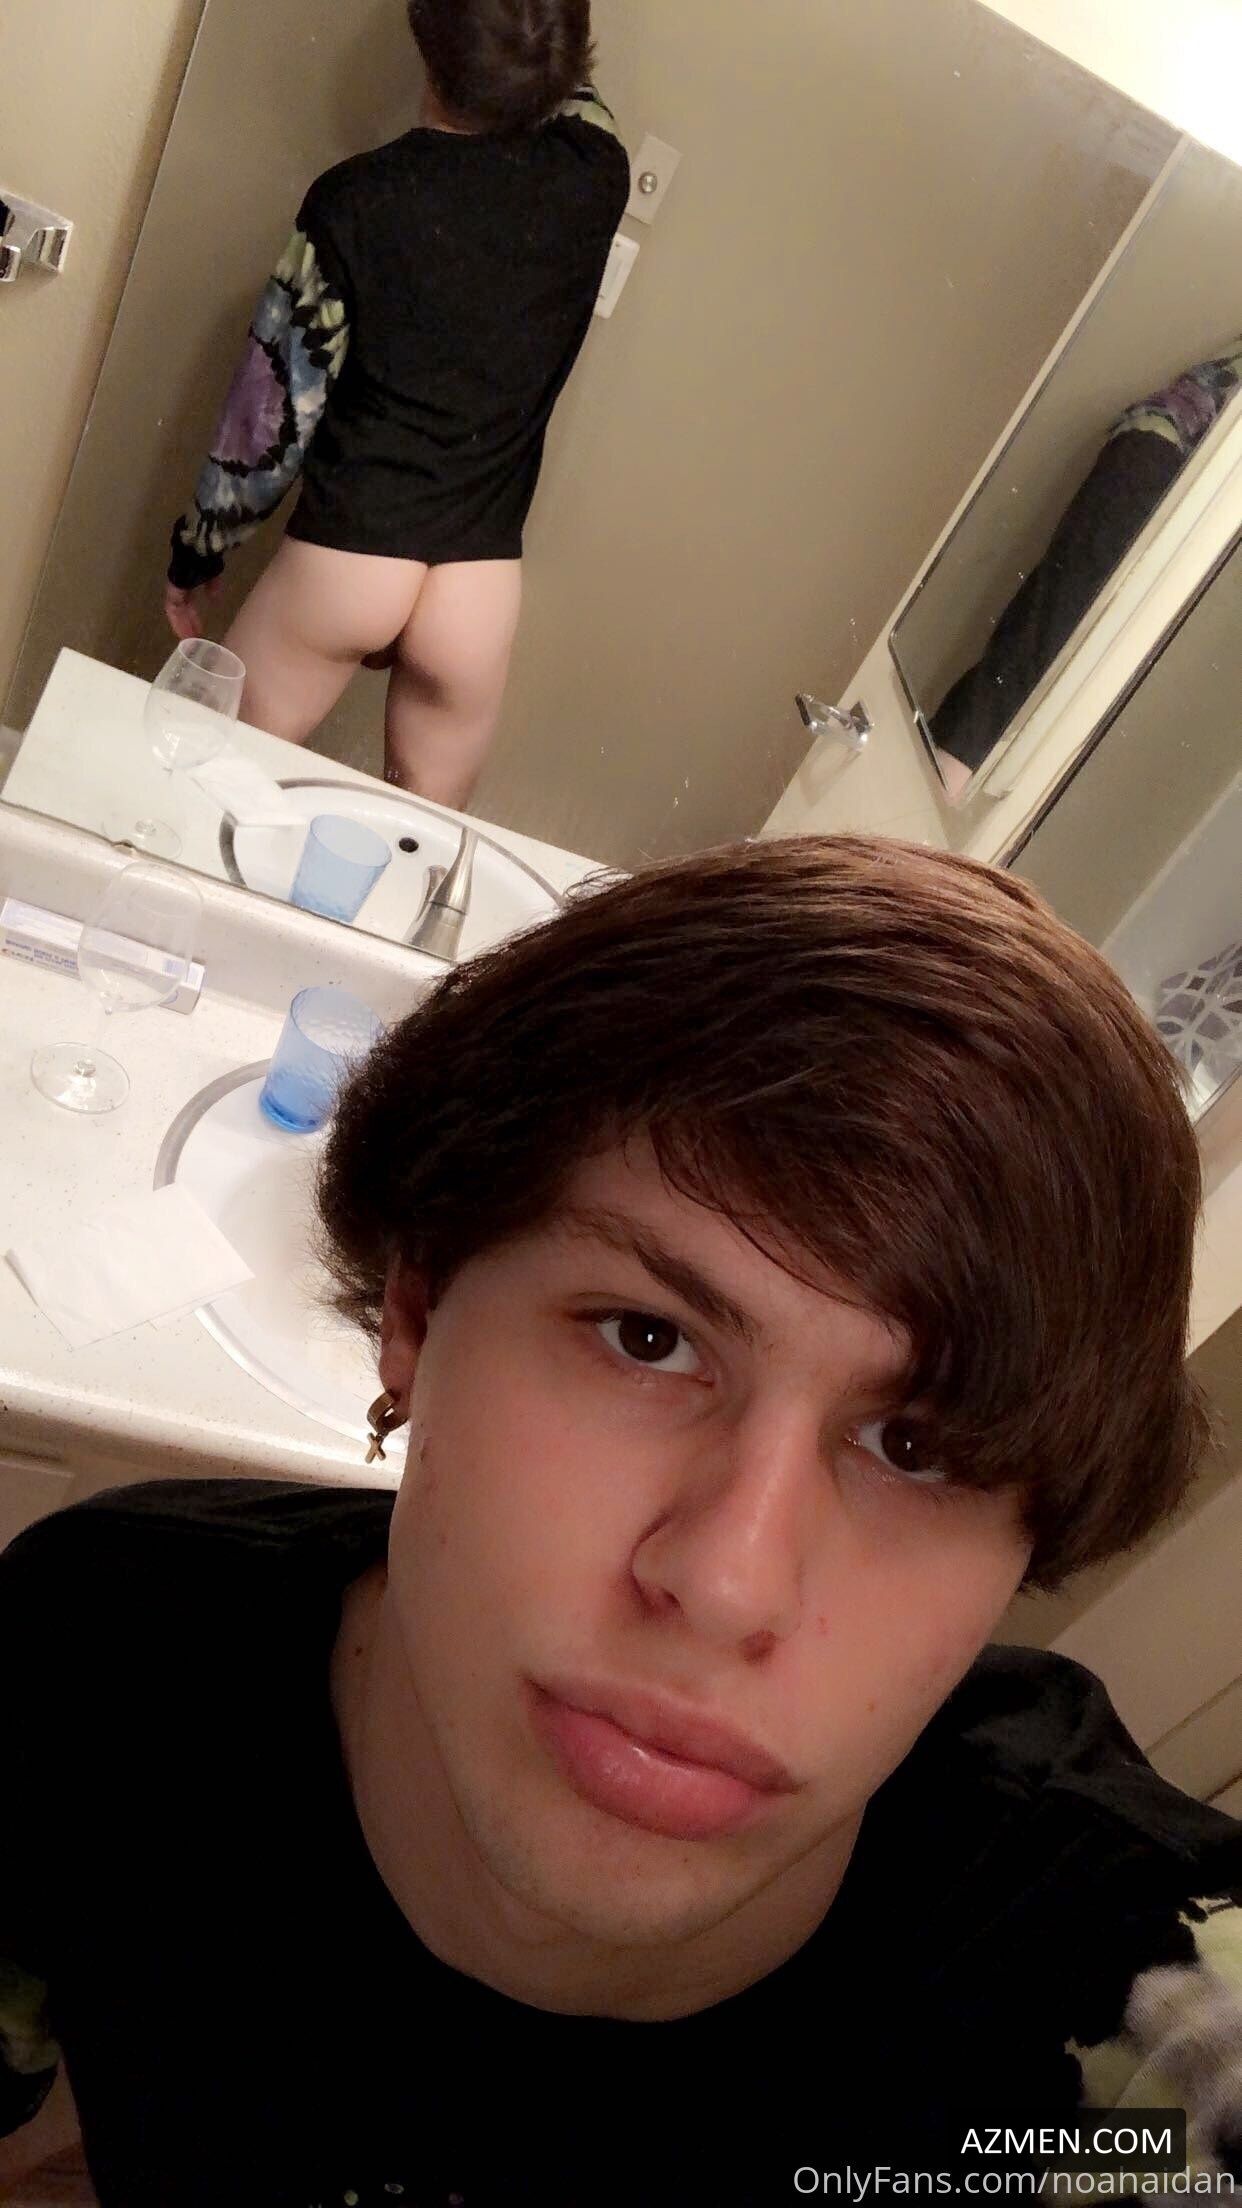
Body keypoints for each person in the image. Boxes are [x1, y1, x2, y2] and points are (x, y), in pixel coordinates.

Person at [2, 834, 1241, 2207]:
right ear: (416, 1311)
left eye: (917, 1447)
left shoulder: (1122, 2009)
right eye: (647, 1338)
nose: (727, 1582)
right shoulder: (94, 1654)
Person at [163, 0, 630, 809]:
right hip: (479, 582)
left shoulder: (356, 200)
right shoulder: (597, 172)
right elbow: (571, 84)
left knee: (197, 799)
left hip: (350, 558)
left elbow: (267, 415)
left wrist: (200, 550)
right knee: (422, 855)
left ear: (426, 37)